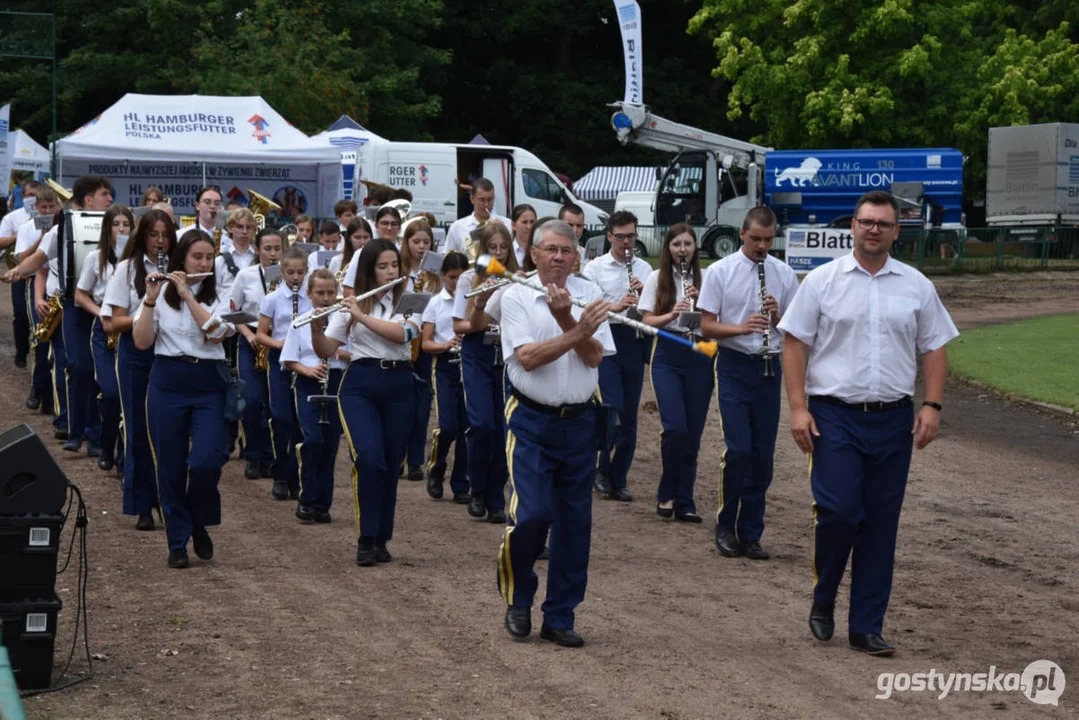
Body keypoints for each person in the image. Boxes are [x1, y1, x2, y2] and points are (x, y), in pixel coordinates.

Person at [778, 190, 958, 656]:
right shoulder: (821, 281)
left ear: (897, 231)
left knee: (880, 524)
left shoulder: (916, 285)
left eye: (883, 223)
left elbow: (935, 346)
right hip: (833, 416)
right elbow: (794, 344)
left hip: (893, 418)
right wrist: (798, 408)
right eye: (866, 221)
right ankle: (824, 597)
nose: (873, 229)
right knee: (840, 513)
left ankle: (866, 626)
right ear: (852, 227)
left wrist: (932, 406)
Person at [498, 219, 614, 647]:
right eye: (550, 250)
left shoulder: (590, 298)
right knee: (531, 514)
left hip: (580, 423)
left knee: (573, 524)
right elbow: (527, 358)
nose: (559, 258)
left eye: (567, 251)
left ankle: (560, 613)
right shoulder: (516, 295)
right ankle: (518, 596)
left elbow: (596, 356)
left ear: (576, 256)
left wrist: (574, 322)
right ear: (534, 254)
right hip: (531, 420)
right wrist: (576, 328)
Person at [697, 207, 800, 558]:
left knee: (762, 456)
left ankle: (751, 532)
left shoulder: (784, 274)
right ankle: (725, 525)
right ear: (742, 234)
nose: (762, 246)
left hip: (769, 367)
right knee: (739, 449)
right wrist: (742, 327)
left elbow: (795, 329)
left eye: (769, 240)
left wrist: (776, 315)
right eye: (756, 239)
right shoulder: (720, 272)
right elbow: (705, 326)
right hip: (734, 364)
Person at [309, 238, 417, 567]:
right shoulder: (354, 303)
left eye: (393, 266)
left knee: (390, 462)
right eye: (382, 267)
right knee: (369, 458)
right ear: (370, 271)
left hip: (400, 383)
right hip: (360, 385)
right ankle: (366, 537)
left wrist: (361, 315)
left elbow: (405, 335)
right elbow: (327, 349)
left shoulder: (410, 298)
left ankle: (382, 537)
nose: (389, 272)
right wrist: (316, 328)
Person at [134, 231, 236, 569]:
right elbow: (142, 341)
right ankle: (177, 541)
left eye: (209, 257)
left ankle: (197, 518)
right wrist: (150, 299)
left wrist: (187, 294)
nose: (204, 263)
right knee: (170, 466)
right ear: (182, 259)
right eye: (197, 257)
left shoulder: (222, 292)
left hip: (209, 382)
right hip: (167, 380)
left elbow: (216, 332)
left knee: (208, 459)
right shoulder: (160, 293)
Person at [101, 208, 175, 530]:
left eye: (165, 235)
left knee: (169, 432)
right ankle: (143, 503)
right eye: (153, 235)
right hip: (135, 353)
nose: (160, 242)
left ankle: (168, 498)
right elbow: (111, 323)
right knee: (139, 429)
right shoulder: (127, 269)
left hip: (169, 352)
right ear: (142, 237)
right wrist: (145, 314)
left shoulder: (178, 267)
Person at [638, 224, 713, 523]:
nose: (682, 250)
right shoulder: (657, 278)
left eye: (688, 244)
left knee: (692, 433)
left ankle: (685, 500)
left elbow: (716, 320)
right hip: (667, 351)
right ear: (668, 248)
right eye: (676, 245)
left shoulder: (706, 278)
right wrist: (672, 313)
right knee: (676, 428)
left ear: (695, 247)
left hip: (699, 353)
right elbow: (646, 320)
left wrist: (702, 299)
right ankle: (667, 491)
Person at [581, 210, 651, 502]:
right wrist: (618, 306)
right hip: (606, 340)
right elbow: (588, 308)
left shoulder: (645, 268)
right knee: (612, 408)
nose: (626, 242)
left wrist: (645, 294)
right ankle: (600, 467)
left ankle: (618, 476)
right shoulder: (595, 268)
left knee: (630, 414)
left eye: (631, 236)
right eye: (620, 236)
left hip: (634, 341)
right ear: (609, 236)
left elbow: (655, 307)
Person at [451, 223, 519, 522]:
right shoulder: (469, 277)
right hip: (477, 351)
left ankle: (495, 498)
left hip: (506, 351)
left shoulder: (516, 278)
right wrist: (480, 307)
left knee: (505, 428)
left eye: (503, 248)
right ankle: (476, 487)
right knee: (482, 425)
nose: (499, 253)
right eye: (492, 248)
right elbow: (459, 326)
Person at [282, 268, 347, 524]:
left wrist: (337, 354)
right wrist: (308, 369)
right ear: (309, 294)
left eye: (331, 292)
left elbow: (355, 354)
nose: (326, 298)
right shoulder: (300, 321)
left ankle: (322, 504)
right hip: (308, 385)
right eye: (320, 292)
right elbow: (288, 359)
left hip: (336, 385)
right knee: (313, 441)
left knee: (330, 444)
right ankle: (306, 498)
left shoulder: (344, 320)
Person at [75, 204, 134, 472]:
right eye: (116, 224)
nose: (121, 229)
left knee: (127, 395)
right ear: (107, 228)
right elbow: (80, 294)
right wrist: (100, 313)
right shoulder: (95, 258)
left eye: (126, 225)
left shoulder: (136, 261)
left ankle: (122, 453)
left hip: (129, 330)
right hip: (104, 331)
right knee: (109, 391)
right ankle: (107, 443)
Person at [256, 247, 312, 500]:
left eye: (301, 272)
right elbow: (260, 334)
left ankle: (296, 476)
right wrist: (282, 345)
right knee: (281, 418)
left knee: (302, 421)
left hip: (305, 360)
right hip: (280, 359)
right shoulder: (272, 298)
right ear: (282, 272)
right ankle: (279, 473)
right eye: (290, 272)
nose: (296, 277)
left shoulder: (311, 297)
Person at [230, 227, 284, 479]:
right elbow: (233, 311)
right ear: (257, 250)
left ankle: (271, 457)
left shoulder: (290, 275)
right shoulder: (246, 275)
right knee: (252, 402)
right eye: (268, 249)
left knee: (276, 405)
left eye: (277, 249)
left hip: (279, 343)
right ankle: (252, 454)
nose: (273, 254)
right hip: (251, 341)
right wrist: (249, 334)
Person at [421, 252, 469, 502]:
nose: (457, 282)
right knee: (448, 425)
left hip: (469, 366)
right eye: (452, 278)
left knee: (467, 428)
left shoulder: (472, 300)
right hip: (444, 365)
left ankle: (461, 482)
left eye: (462, 277)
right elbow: (425, 344)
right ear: (443, 276)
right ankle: (436, 469)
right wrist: (446, 345)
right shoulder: (435, 303)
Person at [398, 221, 439, 481]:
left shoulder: (436, 269)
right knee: (401, 403)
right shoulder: (398, 269)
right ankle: (399, 458)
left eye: (426, 242)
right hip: (401, 339)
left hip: (426, 340)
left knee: (422, 405)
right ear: (407, 243)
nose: (422, 247)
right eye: (416, 242)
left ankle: (415, 460)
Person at [0, 179, 39, 368]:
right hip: (19, 273)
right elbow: (0, 242)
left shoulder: (48, 214)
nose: (33, 199)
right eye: (30, 195)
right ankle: (21, 351)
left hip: (41, 274)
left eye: (36, 195)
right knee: (21, 315)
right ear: (22, 197)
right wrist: (21, 234)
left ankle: (39, 355)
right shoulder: (12, 218)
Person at [442, 178, 512, 257]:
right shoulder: (457, 227)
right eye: (482, 200)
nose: (486, 205)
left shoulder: (507, 224)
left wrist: (503, 231)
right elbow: (447, 256)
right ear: (472, 199)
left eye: (490, 200)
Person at [329, 217, 372, 293]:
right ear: (349, 238)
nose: (362, 242)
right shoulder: (337, 261)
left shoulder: (376, 260)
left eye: (366, 237)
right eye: (357, 237)